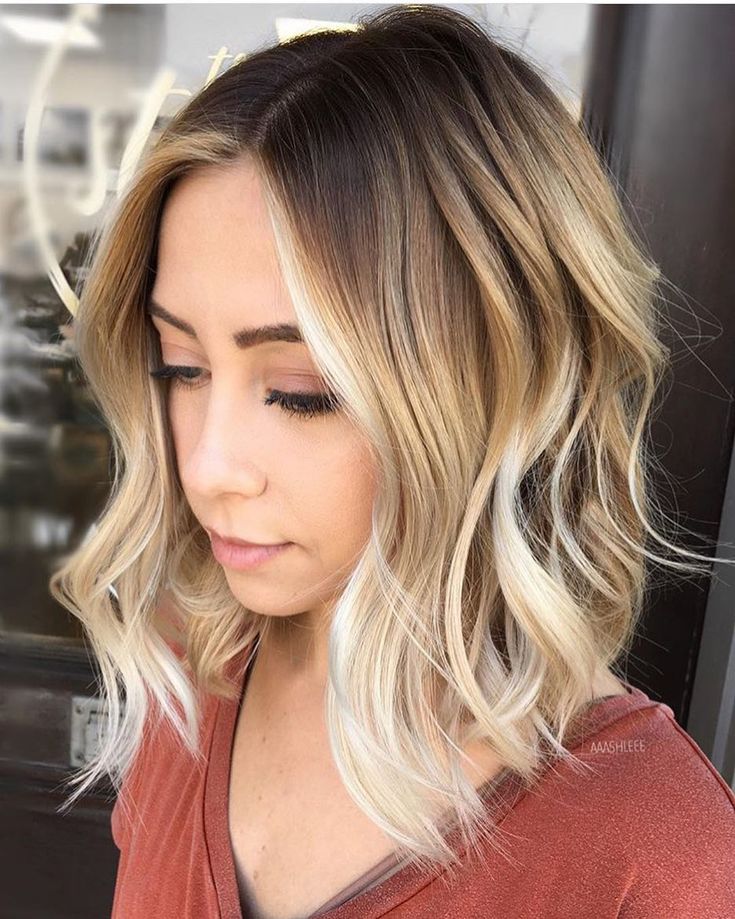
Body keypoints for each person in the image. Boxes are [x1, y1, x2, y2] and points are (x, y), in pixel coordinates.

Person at [49, 5, 735, 918]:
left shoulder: (652, 858)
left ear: (497, 389)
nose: (208, 466)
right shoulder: (192, 668)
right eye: (181, 367)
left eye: (300, 391)